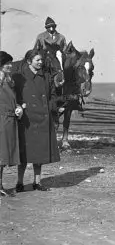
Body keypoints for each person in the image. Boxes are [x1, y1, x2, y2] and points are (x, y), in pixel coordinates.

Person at [13, 49, 64, 192]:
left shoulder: (46, 76)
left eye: (41, 60)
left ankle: (37, 182)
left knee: (39, 154)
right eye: (37, 60)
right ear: (29, 61)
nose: (41, 62)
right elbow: (13, 96)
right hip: (26, 119)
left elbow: (53, 95)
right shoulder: (19, 77)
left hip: (42, 119)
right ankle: (19, 182)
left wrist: (51, 109)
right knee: (24, 153)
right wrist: (18, 107)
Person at [0, 52, 22, 197]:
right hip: (1, 120)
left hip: (10, 120)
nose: (10, 65)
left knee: (3, 155)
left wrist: (18, 107)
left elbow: (12, 100)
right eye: (6, 63)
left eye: (10, 63)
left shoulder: (9, 80)